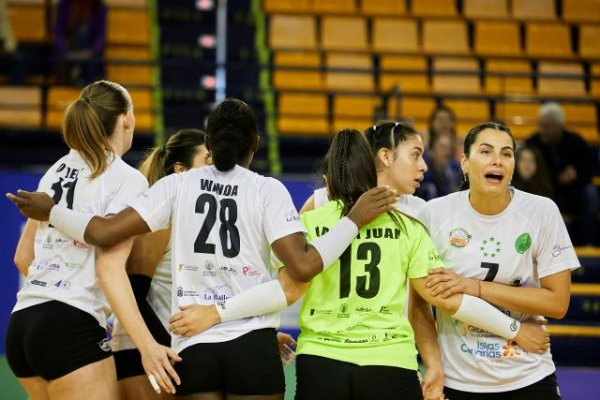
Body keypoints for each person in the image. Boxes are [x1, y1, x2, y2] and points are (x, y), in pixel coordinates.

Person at [7, 98, 398, 399]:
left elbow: (106, 232)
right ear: (255, 144)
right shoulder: (266, 190)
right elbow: (304, 265)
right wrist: (354, 219)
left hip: (193, 345)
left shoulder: (177, 186)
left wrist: (53, 211)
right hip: (251, 344)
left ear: (209, 142)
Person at [167, 129, 551, 400]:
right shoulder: (408, 224)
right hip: (390, 362)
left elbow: (283, 291)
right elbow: (446, 299)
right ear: (372, 166)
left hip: (322, 361)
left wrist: (217, 315)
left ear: (329, 173)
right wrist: (513, 328)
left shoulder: (312, 220)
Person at [5, 80, 180, 400]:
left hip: (22, 324)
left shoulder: (55, 171)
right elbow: (110, 270)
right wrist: (148, 346)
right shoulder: (127, 179)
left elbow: (23, 258)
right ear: (127, 119)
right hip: (70, 326)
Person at [420, 121, 578, 399]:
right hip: (459, 381)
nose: (497, 160)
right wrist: (432, 366)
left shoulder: (541, 211)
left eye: (507, 153)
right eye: (486, 151)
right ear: (465, 162)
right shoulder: (435, 214)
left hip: (528, 374)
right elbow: (419, 302)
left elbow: (558, 303)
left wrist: (475, 286)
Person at [112, 128, 211, 400]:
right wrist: (164, 348)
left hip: (168, 351)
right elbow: (133, 292)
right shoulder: (160, 219)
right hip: (143, 351)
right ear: (180, 169)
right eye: (207, 161)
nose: (215, 169)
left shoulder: (193, 221)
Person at [526, 102, 598, 245]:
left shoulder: (577, 142)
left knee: (591, 193)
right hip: (545, 192)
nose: (543, 130)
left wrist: (575, 176)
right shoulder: (533, 143)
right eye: (541, 125)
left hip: (573, 192)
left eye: (548, 126)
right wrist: (557, 178)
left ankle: (589, 245)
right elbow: (531, 176)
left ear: (560, 126)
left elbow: (589, 172)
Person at [53, 0, 107, 84]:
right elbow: (58, 33)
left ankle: (80, 77)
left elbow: (100, 37)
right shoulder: (64, 4)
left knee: (83, 33)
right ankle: (75, 75)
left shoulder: (99, 7)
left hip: (90, 55)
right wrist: (65, 52)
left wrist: (92, 52)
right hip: (67, 52)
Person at [417, 133, 462, 201]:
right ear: (431, 150)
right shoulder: (423, 168)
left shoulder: (454, 168)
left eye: (448, 147)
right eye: (442, 147)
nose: (447, 152)